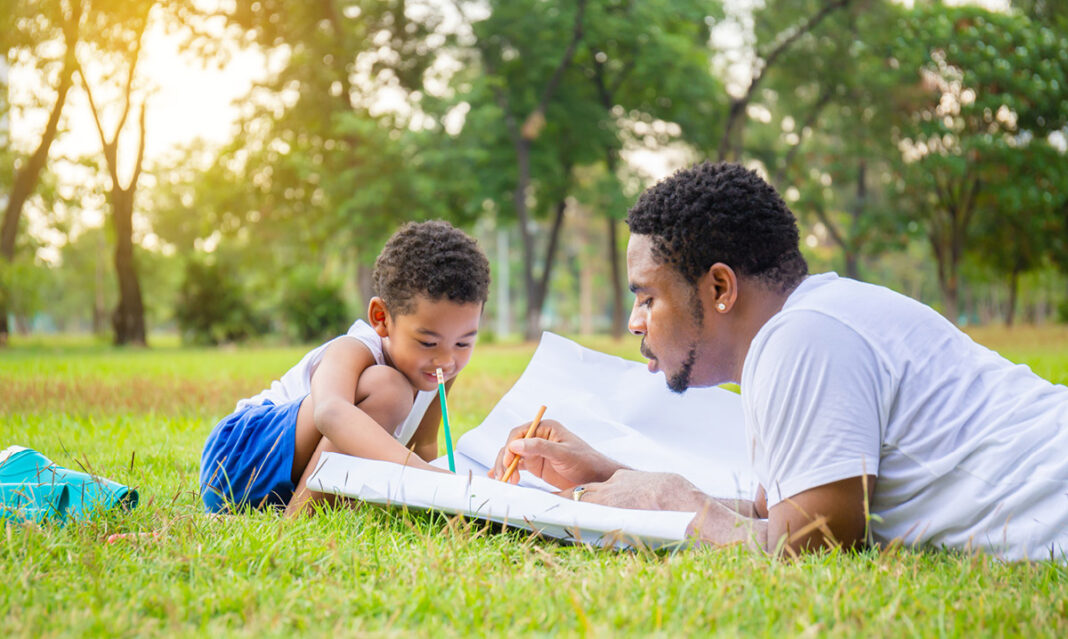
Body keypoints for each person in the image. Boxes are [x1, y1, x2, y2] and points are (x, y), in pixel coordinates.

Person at [491, 162, 1068, 561]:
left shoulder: (804, 337)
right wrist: (611, 475)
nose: (635, 323)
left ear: (720, 286)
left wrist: (671, 498)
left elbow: (814, 538)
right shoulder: (809, 323)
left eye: (647, 297)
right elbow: (778, 510)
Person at [201, 220, 490, 516]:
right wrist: (424, 475)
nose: (446, 360)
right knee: (389, 389)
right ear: (381, 318)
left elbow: (424, 442)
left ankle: (299, 509)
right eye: (428, 343)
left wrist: (447, 502)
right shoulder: (356, 348)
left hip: (284, 486)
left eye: (464, 344)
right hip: (238, 460)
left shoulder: (439, 370)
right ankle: (296, 523)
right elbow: (330, 412)